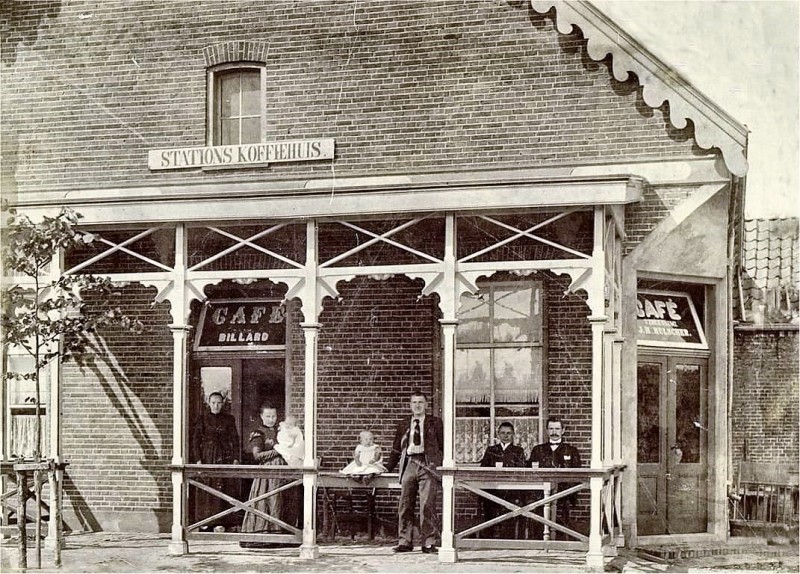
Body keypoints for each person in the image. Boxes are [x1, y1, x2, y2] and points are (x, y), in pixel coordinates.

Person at [385, 392, 443, 554]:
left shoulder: (435, 423)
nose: (417, 405)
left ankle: (429, 542)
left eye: (420, 402)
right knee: (405, 504)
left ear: (426, 405)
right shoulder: (404, 423)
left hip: (427, 465)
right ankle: (405, 541)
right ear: (410, 405)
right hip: (409, 463)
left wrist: (439, 465)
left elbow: (443, 446)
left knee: (428, 504)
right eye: (414, 402)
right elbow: (396, 448)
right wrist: (388, 467)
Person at [526, 416, 582, 539]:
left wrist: (568, 492)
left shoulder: (571, 451)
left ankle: (561, 541)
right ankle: (538, 541)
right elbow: (530, 472)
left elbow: (578, 475)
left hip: (563, 494)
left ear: (563, 430)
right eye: (551, 429)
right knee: (537, 514)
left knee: (561, 515)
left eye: (557, 429)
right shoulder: (538, 450)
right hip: (540, 494)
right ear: (547, 431)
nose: (554, 432)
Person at [190, 392, 239, 531]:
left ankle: (220, 522)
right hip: (207, 457)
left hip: (224, 457)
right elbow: (195, 441)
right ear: (208, 403)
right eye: (213, 403)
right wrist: (198, 460)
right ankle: (205, 522)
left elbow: (235, 439)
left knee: (222, 486)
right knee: (206, 487)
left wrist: (235, 458)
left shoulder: (229, 419)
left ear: (222, 403)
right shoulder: (202, 419)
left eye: (219, 403)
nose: (216, 405)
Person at [241, 402, 286, 544]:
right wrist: (277, 450)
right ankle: (262, 537)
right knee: (266, 501)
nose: (271, 419)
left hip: (280, 474)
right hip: (266, 475)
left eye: (273, 416)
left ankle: (280, 536)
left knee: (278, 502)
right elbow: (257, 455)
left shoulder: (281, 432)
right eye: (268, 416)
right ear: (261, 416)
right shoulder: (258, 434)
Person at [478, 421, 526, 538]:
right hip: (493, 489)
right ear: (498, 434)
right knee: (488, 505)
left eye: (508, 433)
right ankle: (488, 538)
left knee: (511, 509)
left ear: (513, 434)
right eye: (503, 433)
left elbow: (521, 470)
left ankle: (507, 538)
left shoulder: (518, 451)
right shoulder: (491, 450)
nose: (505, 436)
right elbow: (483, 468)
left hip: (511, 490)